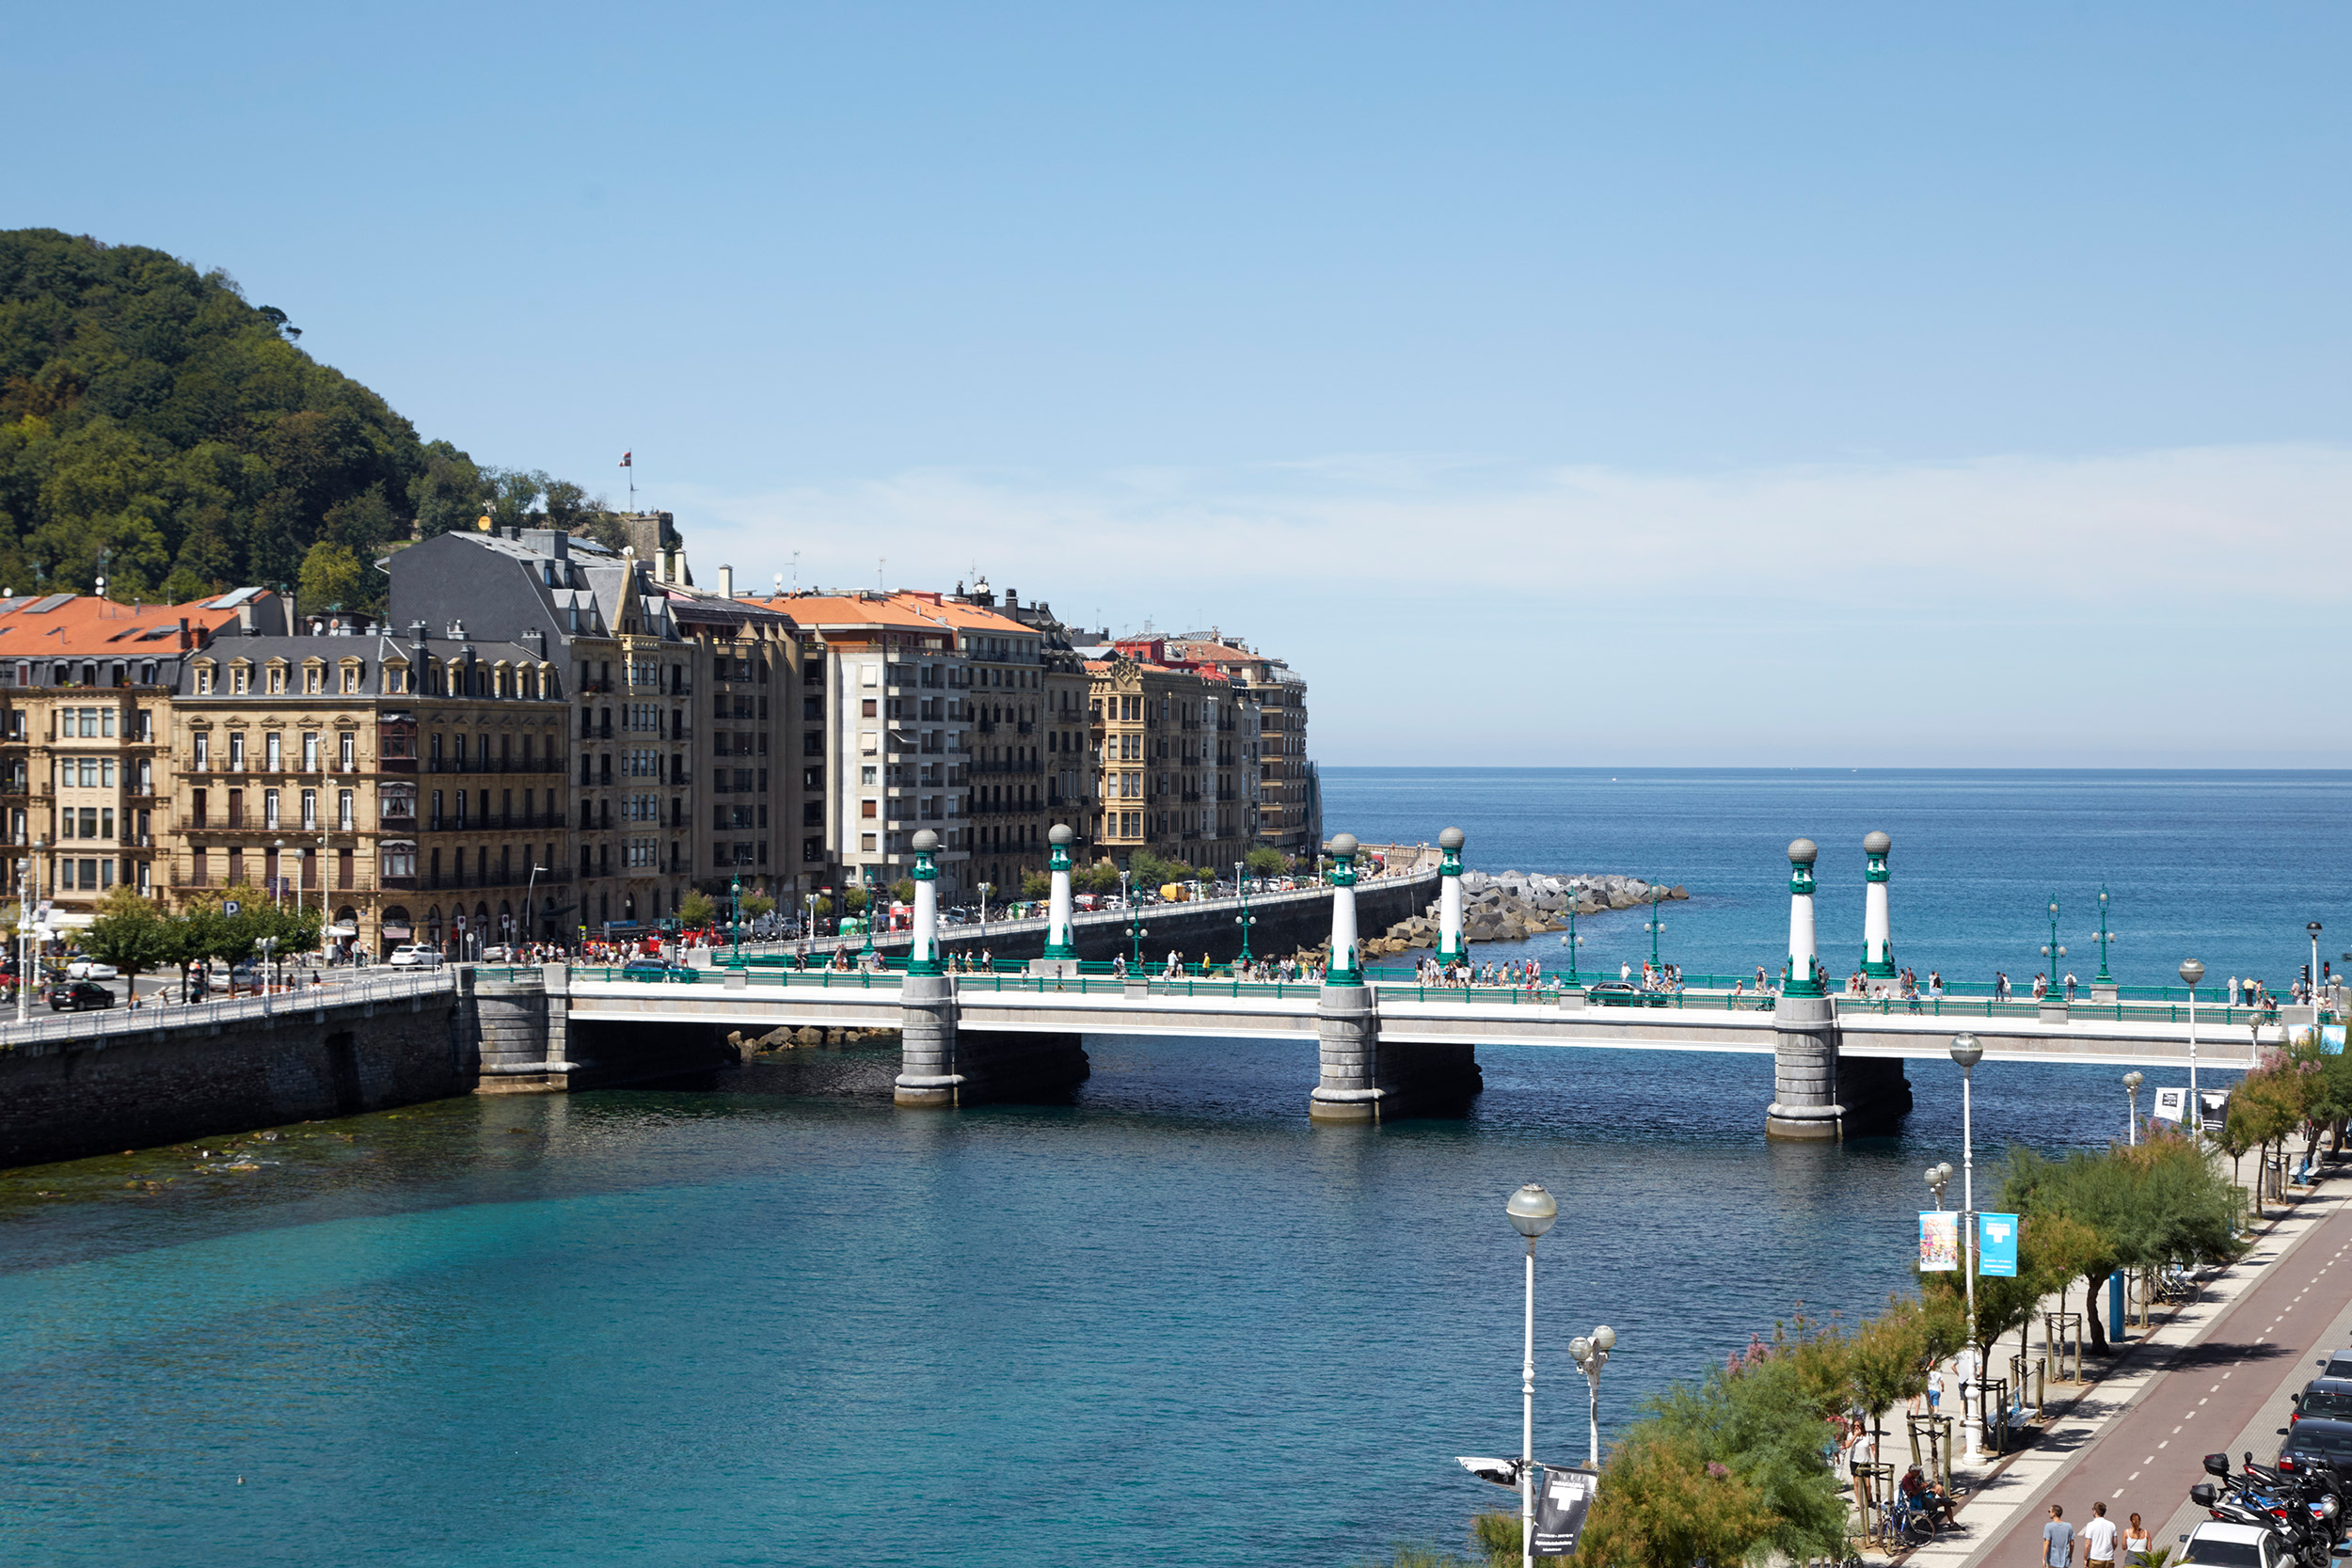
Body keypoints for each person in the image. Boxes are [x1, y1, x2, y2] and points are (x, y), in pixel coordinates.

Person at [2081, 1501, 2118, 1568]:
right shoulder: (2111, 1525)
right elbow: (2115, 1543)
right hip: (2109, 1559)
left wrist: (2085, 1558)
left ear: (2095, 1511)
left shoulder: (2091, 1525)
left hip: (2095, 1558)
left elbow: (2088, 1544)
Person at [2043, 1504, 2075, 1568]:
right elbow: (2072, 1543)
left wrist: (2043, 1558)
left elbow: (2046, 1543)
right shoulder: (2068, 1526)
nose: (2049, 1513)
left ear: (2054, 1513)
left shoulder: (2048, 1526)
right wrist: (2070, 1556)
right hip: (2065, 1559)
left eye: (2050, 1511)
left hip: (2052, 1560)